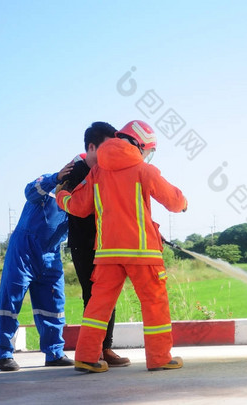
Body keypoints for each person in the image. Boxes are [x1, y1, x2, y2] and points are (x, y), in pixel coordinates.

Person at [56, 120, 187, 373]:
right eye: (148, 151)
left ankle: (85, 357)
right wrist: (184, 204)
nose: (147, 156)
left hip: (107, 254)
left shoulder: (97, 172)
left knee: (98, 306)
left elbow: (80, 207)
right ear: (140, 145)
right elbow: (173, 201)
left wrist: (62, 196)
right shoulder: (144, 170)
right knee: (154, 304)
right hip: (143, 253)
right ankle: (159, 357)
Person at [0, 162, 75, 371]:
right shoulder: (48, 185)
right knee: (11, 301)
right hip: (23, 252)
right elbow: (29, 191)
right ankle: (2, 353)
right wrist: (55, 178)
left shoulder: (77, 200)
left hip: (51, 254)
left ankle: (54, 353)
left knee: (54, 304)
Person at [62, 121, 130, 367]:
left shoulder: (109, 171)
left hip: (108, 244)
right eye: (106, 148)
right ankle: (94, 351)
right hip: (84, 244)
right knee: (93, 297)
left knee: (109, 296)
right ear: (91, 147)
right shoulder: (74, 172)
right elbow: (67, 201)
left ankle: (106, 348)